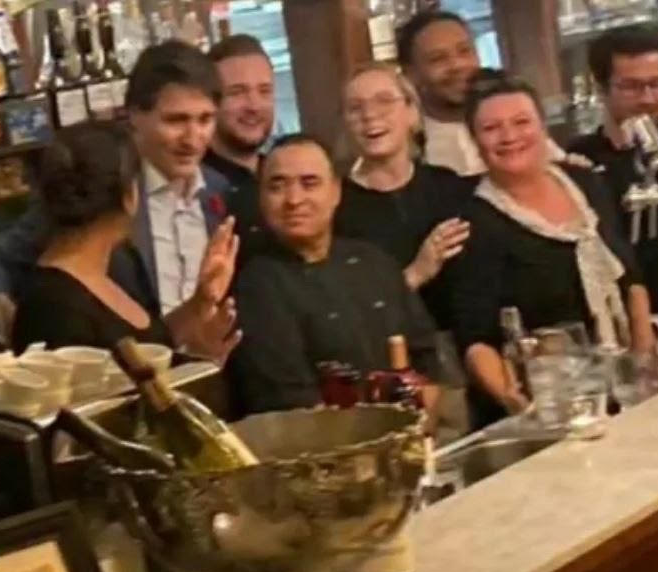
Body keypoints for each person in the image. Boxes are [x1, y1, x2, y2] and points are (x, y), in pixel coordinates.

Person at [0, 40, 228, 336]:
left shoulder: (221, 191)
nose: (192, 138)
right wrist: (0, 302)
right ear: (135, 114)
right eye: (176, 120)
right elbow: (0, 260)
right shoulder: (98, 188)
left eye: (205, 120)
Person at [451, 74, 654, 426]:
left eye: (521, 122)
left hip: (622, 386)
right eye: (491, 128)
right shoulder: (475, 224)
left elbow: (630, 277)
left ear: (543, 127)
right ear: (474, 141)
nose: (509, 136)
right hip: (553, 403)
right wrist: (518, 404)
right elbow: (475, 339)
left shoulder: (585, 182)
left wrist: (643, 364)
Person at [228, 134, 440, 416]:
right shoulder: (257, 285)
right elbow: (292, 405)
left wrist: (424, 417)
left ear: (336, 191)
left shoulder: (373, 261)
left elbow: (428, 363)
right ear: (261, 198)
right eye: (277, 186)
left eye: (309, 183)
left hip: (416, 429)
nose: (294, 199)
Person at [12, 121, 240, 363]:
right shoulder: (53, 306)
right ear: (128, 196)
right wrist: (199, 362)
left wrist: (200, 301)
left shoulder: (118, 265)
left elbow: (153, 344)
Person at [335, 61, 472, 332]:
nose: (369, 115)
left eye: (384, 101)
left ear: (411, 112)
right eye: (355, 108)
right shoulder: (336, 207)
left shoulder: (450, 186)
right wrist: (416, 273)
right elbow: (348, 314)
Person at [568, 25, 658, 313]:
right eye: (631, 87)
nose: (648, 99)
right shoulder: (579, 162)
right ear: (601, 89)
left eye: (657, 84)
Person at [397, 10, 566, 177]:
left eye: (465, 51)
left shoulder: (512, 125)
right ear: (410, 74)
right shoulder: (407, 145)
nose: (457, 65)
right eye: (438, 59)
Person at [204, 34, 274, 243]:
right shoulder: (193, 188)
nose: (254, 106)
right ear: (209, 101)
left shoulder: (282, 175)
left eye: (264, 91)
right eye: (237, 92)